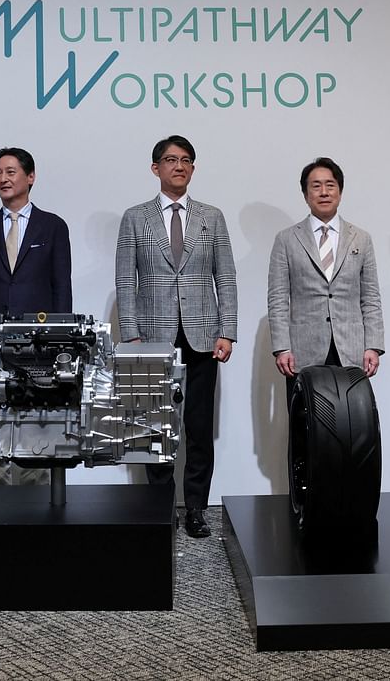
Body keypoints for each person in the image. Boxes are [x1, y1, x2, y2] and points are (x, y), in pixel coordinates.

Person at [115, 135, 238, 539]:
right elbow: (125, 279)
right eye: (170, 160)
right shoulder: (136, 217)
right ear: (156, 168)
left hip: (203, 336)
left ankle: (197, 509)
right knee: (152, 428)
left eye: (186, 160)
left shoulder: (211, 217)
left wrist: (228, 330)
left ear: (193, 168)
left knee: (199, 428)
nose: (178, 166)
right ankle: (160, 508)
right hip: (150, 336)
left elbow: (226, 276)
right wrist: (130, 334)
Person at [0, 147, 73, 484]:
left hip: (38, 344)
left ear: (30, 177)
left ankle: (35, 502)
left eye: (10, 171)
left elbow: (61, 286)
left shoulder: (53, 227)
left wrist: (61, 340)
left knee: (37, 418)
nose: (2, 179)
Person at [267, 156, 384, 380]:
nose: (324, 192)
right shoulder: (286, 239)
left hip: (352, 351)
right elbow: (278, 299)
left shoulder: (361, 238)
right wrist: (282, 348)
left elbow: (371, 298)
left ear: (340, 191)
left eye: (330, 185)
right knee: (305, 414)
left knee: (351, 415)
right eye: (316, 186)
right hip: (303, 351)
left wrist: (373, 346)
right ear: (305, 194)